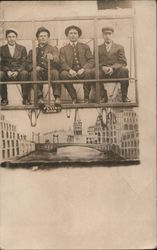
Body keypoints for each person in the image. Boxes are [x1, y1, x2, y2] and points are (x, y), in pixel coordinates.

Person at [60, 25, 94, 103]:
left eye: (75, 33)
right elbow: (62, 62)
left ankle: (86, 98)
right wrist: (69, 70)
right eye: (71, 33)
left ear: (78, 35)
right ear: (67, 36)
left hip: (82, 72)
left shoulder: (85, 47)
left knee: (88, 72)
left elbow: (91, 60)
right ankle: (74, 97)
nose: (73, 35)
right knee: (63, 74)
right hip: (71, 73)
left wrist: (83, 69)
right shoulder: (63, 49)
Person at [26, 27, 61, 105]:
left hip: (50, 71)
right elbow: (27, 63)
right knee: (33, 73)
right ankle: (39, 97)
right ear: (37, 38)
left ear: (48, 38)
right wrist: (34, 67)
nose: (43, 38)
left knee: (55, 72)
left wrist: (53, 58)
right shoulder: (33, 51)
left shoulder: (53, 49)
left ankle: (57, 97)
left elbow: (58, 60)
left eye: (45, 36)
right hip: (38, 73)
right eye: (41, 36)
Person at [98, 26, 130, 102]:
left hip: (115, 72)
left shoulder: (119, 47)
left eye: (109, 34)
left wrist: (112, 68)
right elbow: (95, 62)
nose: (107, 36)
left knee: (124, 71)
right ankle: (103, 96)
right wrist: (103, 67)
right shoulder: (98, 48)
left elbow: (123, 62)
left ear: (112, 35)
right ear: (103, 35)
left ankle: (124, 96)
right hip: (103, 73)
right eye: (105, 34)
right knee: (95, 72)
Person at [0, 28, 30, 105]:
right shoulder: (1, 49)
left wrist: (17, 71)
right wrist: (7, 71)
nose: (11, 39)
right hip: (7, 73)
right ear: (6, 38)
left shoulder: (22, 48)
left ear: (16, 37)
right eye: (9, 37)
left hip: (18, 72)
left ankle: (25, 98)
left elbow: (24, 62)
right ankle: (4, 99)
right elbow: (0, 63)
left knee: (25, 73)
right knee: (0, 74)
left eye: (13, 36)